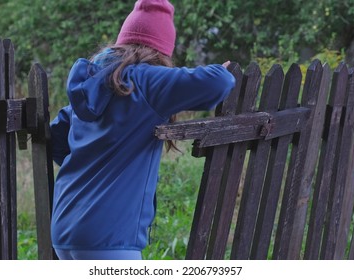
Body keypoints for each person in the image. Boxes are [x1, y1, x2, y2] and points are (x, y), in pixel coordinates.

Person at [50, 0, 235, 260]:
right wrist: (221, 69)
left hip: (64, 229)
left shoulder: (94, 81)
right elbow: (218, 83)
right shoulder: (145, 80)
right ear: (161, 49)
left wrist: (100, 164)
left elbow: (57, 135)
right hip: (110, 237)